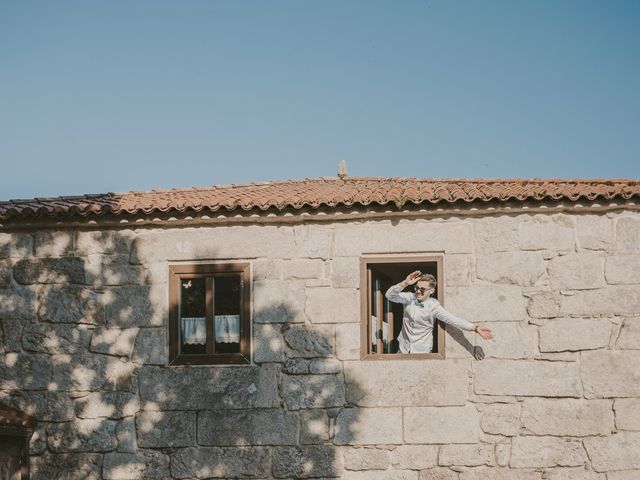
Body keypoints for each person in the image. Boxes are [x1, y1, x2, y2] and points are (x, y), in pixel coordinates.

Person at [385, 270, 494, 354]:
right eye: (416, 288)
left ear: (431, 291)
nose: (418, 291)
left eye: (422, 289)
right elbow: (389, 295)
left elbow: (453, 319)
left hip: (422, 352)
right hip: (403, 349)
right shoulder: (409, 297)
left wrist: (475, 327)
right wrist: (405, 283)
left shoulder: (434, 306)